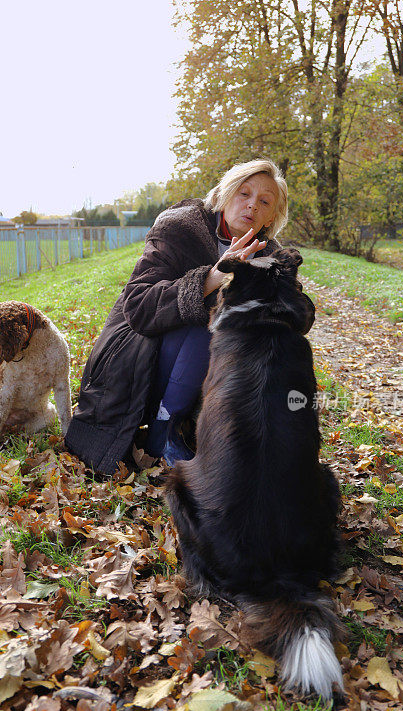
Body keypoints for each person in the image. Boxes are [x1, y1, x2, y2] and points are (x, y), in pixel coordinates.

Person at [65, 159, 316, 474]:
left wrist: (277, 290)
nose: (252, 205)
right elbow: (139, 307)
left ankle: (208, 429)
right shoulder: (181, 227)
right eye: (244, 193)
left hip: (205, 373)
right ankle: (162, 434)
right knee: (209, 326)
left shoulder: (269, 255)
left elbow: (301, 319)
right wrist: (212, 278)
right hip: (136, 355)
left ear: (272, 217)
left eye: (264, 201)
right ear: (225, 194)